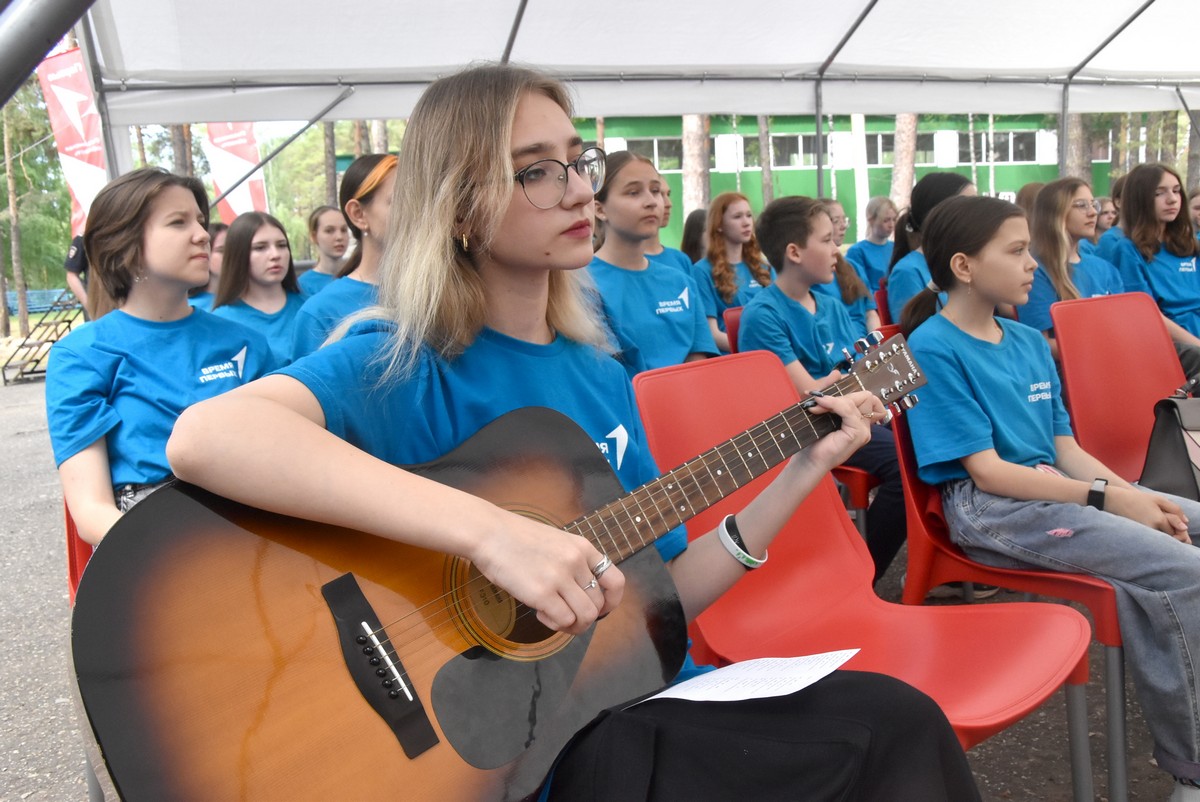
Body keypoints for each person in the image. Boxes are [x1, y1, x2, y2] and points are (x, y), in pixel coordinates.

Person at [167, 63, 980, 802]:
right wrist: (492, 537)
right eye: (534, 172)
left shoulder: (597, 375)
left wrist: (802, 470)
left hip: (615, 704)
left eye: (577, 162)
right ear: (457, 204)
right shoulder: (403, 361)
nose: (576, 191)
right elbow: (207, 436)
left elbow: (659, 607)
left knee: (892, 719)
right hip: (506, 755)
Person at [901, 193, 1200, 802]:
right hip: (998, 510)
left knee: (1174, 528)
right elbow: (988, 474)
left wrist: (1127, 493)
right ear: (963, 266)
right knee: (1183, 571)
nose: (1033, 263)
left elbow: (1065, 448)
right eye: (1016, 252)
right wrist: (1112, 501)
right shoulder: (932, 347)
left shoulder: (1025, 340)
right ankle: (1192, 774)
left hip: (1056, 490)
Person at [45, 167, 276, 545]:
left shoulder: (248, 342)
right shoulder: (81, 354)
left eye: (200, 221)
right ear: (126, 246)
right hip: (155, 551)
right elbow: (91, 510)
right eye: (177, 222)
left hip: (262, 536)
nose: (203, 234)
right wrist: (179, 562)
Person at [738, 195, 906, 585]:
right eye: (827, 240)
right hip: (809, 428)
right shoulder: (764, 314)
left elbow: (850, 372)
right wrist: (856, 381)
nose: (836, 250)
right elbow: (810, 396)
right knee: (903, 464)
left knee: (929, 442)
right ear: (794, 252)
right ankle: (862, 576)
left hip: (852, 412)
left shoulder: (828, 305)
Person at [588, 151, 717, 373]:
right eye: (633, 192)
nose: (651, 202)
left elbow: (698, 361)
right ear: (600, 209)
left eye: (655, 191)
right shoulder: (583, 282)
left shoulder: (680, 282)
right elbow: (601, 373)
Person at [291, 154, 397, 359]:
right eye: (399, 201)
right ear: (358, 214)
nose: (417, 212)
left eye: (419, 201)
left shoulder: (440, 295)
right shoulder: (321, 312)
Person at [1108, 163, 1200, 377]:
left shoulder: (1190, 244)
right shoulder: (1127, 249)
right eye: (1160, 193)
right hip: (1171, 344)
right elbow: (1146, 315)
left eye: (1177, 191)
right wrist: (1197, 344)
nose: (1172, 199)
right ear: (1140, 199)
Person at [1018, 178, 1123, 358]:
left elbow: (1124, 324)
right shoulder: (1036, 269)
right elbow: (1040, 343)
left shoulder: (1104, 268)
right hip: (1070, 371)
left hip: (1112, 360)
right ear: (1055, 213)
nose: (1092, 213)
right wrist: (1103, 350)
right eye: (1081, 205)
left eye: (1093, 204)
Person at [212, 211, 307, 364]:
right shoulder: (221, 322)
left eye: (282, 245)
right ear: (238, 254)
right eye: (260, 247)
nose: (275, 254)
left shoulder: (310, 308)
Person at [692, 192, 775, 352]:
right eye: (737, 217)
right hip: (733, 358)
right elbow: (711, 334)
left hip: (769, 355)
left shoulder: (763, 267)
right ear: (719, 225)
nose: (746, 223)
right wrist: (753, 350)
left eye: (749, 215)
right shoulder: (702, 271)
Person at [886, 172, 975, 316]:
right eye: (968, 207)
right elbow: (912, 332)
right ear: (938, 214)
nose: (978, 215)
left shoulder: (963, 264)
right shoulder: (908, 272)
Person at [814, 198, 879, 337]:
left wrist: (877, 348)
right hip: (843, 351)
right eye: (836, 221)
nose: (843, 226)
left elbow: (870, 314)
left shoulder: (854, 267)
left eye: (844, 220)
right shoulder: (816, 274)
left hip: (866, 347)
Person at [846, 196, 898, 291]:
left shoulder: (895, 247)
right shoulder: (857, 251)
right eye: (886, 220)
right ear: (871, 220)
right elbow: (858, 287)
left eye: (894, 220)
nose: (891, 225)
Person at [296, 205, 349, 296]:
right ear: (314, 236)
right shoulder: (303, 285)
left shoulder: (358, 276)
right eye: (329, 231)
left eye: (343, 230)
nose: (339, 237)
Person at [643, 178, 692, 273]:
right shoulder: (626, 263)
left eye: (668, 194)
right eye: (657, 193)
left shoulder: (681, 260)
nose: (669, 204)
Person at [188, 222, 227, 310]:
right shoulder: (189, 308)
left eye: (236, 249)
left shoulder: (251, 300)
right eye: (222, 250)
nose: (232, 255)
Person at [63, 234, 89, 312]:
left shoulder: (125, 236)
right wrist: (89, 305)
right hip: (99, 308)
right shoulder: (84, 239)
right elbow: (71, 276)